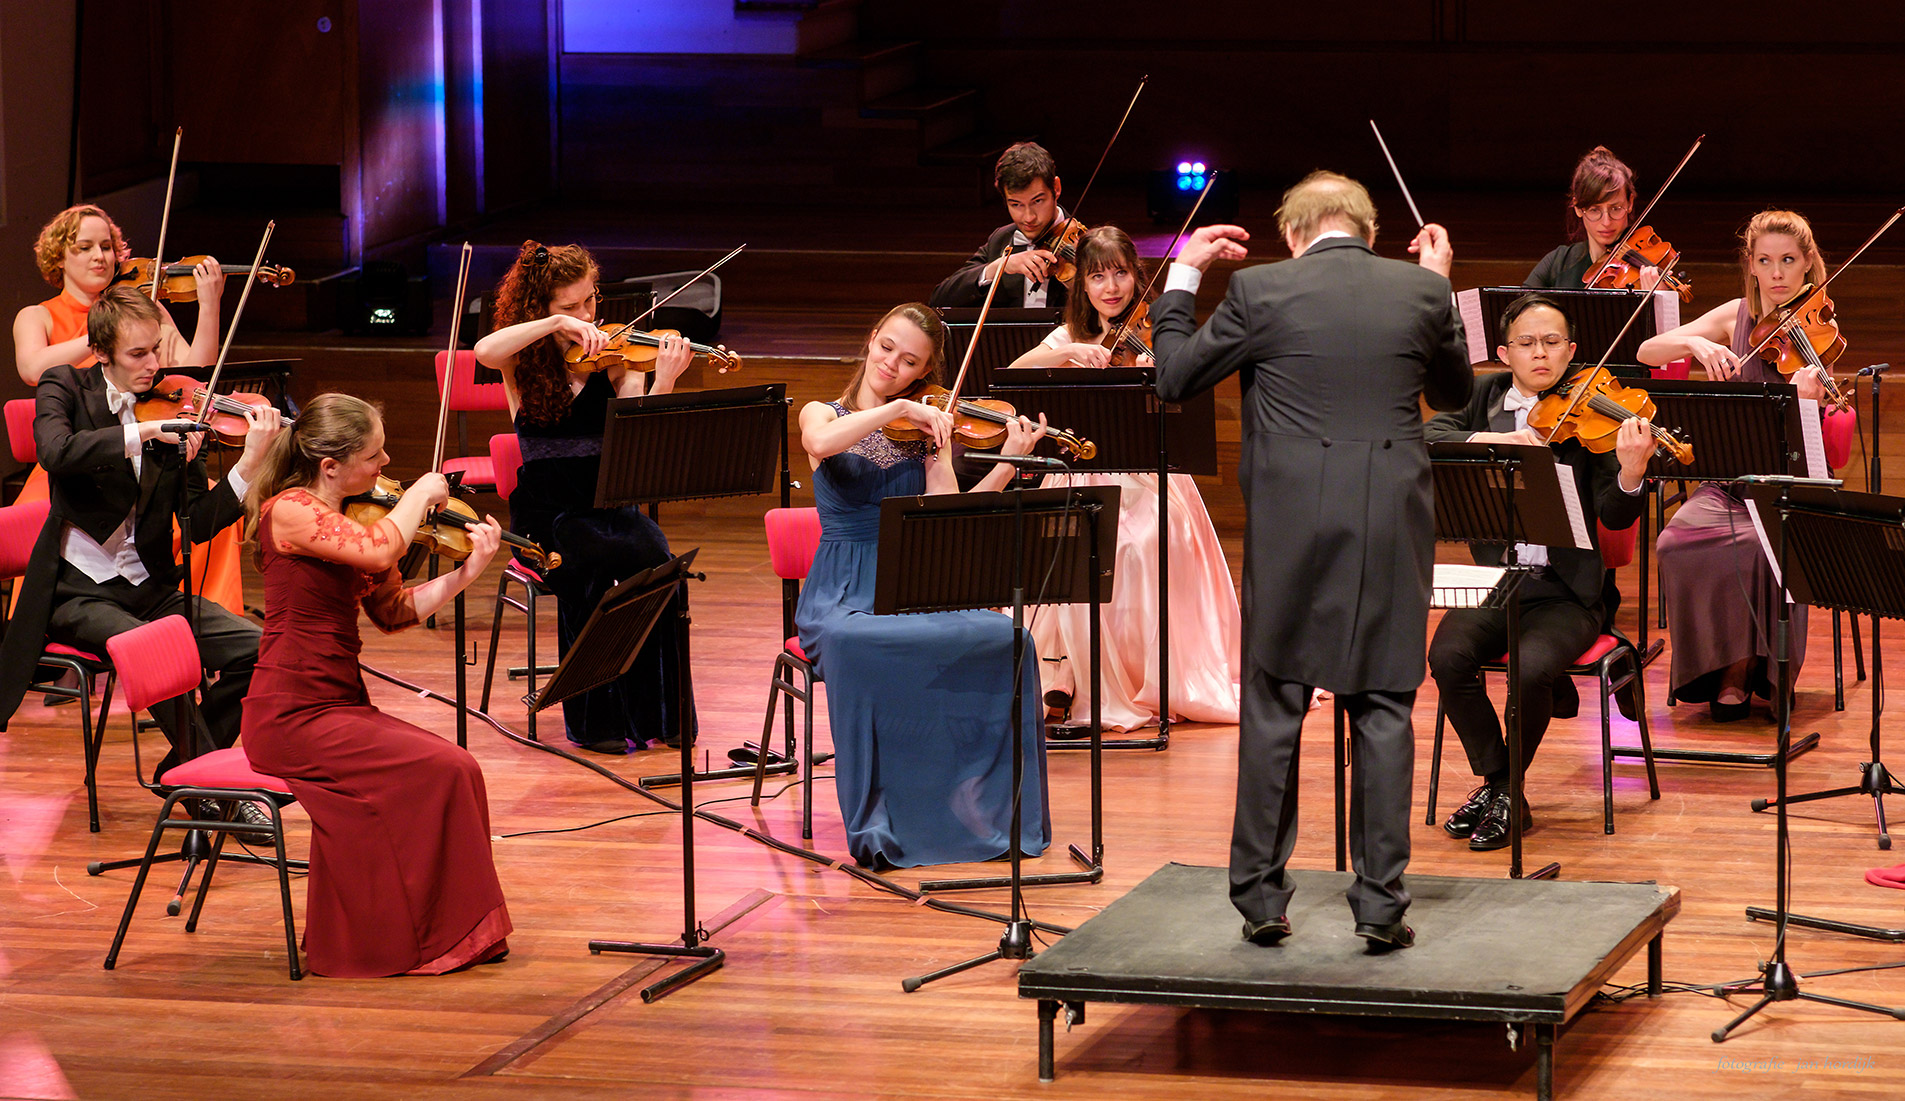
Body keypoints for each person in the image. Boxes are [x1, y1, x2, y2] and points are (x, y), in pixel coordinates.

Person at [1153, 171, 1472, 950]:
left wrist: (1183, 273)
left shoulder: (1260, 289)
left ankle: (1262, 895)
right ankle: (1378, 905)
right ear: (1367, 231)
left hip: (1290, 520)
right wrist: (1437, 285)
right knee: (1383, 706)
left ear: (1293, 233)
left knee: (1274, 701)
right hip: (1388, 520)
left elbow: (1173, 376)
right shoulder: (1422, 292)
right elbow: (1457, 392)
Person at [242, 393, 512, 977]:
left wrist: (470, 571)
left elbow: (391, 610)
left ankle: (441, 934)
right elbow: (383, 547)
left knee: (455, 768)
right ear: (330, 465)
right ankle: (413, 940)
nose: (386, 463)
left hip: (336, 701)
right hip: (290, 710)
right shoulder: (288, 511)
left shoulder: (357, 517)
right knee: (444, 769)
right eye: (374, 455)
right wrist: (420, 493)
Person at [796, 302, 1053, 868]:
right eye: (887, 347)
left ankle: (976, 809)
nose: (891, 363)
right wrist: (896, 410)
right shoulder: (824, 412)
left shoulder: (928, 430)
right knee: (854, 644)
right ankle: (888, 817)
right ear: (871, 339)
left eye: (909, 361)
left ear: (923, 372)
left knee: (1008, 639)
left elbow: (947, 519)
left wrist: (1007, 463)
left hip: (915, 583)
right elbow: (821, 443)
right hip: (843, 592)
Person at [0, 287, 280, 797]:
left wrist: (248, 465)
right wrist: (146, 432)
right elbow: (56, 452)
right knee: (159, 649)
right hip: (76, 590)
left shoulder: (176, 408)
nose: (155, 364)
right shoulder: (64, 386)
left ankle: (182, 771)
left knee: (260, 650)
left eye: (156, 349)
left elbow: (196, 520)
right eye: (138, 354)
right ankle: (213, 797)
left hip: (148, 587)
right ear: (102, 352)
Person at [1424, 294, 1651, 849]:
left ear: (1572, 350)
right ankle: (1503, 786)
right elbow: (1426, 437)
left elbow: (1614, 514)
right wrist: (1497, 440)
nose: (1540, 353)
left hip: (1568, 593)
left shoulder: (1595, 411)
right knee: (1446, 657)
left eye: (1553, 343)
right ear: (1504, 352)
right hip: (1498, 583)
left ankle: (1502, 792)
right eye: (1527, 343)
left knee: (1529, 671)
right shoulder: (1481, 397)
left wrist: (1630, 471)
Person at [1004, 225, 1241, 730]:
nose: (1110, 287)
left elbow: (1190, 385)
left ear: (1136, 276)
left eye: (1119, 274)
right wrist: (1066, 353)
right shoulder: (1070, 334)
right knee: (1067, 544)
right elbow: (1016, 370)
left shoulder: (1157, 332)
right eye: (1096, 277)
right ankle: (1064, 676)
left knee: (1145, 541)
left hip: (1148, 472)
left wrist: (1162, 369)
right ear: (1081, 286)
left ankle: (1142, 676)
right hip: (1081, 472)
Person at [472, 240, 696, 753]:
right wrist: (555, 327)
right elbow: (484, 350)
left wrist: (662, 381)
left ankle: (662, 714)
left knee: (661, 567)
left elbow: (639, 437)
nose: (586, 315)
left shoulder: (618, 358)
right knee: (592, 571)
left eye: (589, 301)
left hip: (608, 503)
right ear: (541, 309)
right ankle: (596, 721)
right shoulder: (521, 360)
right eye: (569, 306)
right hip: (547, 514)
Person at [1637, 209, 1832, 720]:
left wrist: (1805, 399)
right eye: (1765, 261)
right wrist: (1696, 341)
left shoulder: (1817, 328)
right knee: (1674, 542)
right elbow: (1646, 350)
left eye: (1788, 261)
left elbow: (1817, 445)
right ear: (1750, 264)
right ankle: (1711, 666)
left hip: (1784, 486)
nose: (1777, 274)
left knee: (1755, 544)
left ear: (1808, 264)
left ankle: (1745, 670)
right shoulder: (1734, 316)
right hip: (1726, 483)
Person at [9, 205, 244, 618]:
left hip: (147, 459)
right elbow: (33, 368)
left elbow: (190, 372)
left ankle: (199, 624)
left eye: (107, 246)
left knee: (210, 512)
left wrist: (209, 305)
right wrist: (108, 329)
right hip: (76, 464)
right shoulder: (38, 315)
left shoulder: (142, 310)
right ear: (58, 257)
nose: (100, 256)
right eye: (84, 247)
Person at [928, 142, 1072, 311]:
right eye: (1016, 204)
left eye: (1037, 201)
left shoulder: (1085, 243)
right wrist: (997, 268)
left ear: (1056, 188)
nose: (1028, 217)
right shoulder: (1001, 240)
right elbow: (940, 299)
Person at [1524, 147, 1641, 290]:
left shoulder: (1646, 267)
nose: (1606, 222)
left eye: (1615, 209)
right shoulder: (1559, 263)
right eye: (1594, 210)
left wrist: (1659, 298)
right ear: (1578, 208)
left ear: (1630, 203)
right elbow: (1520, 307)